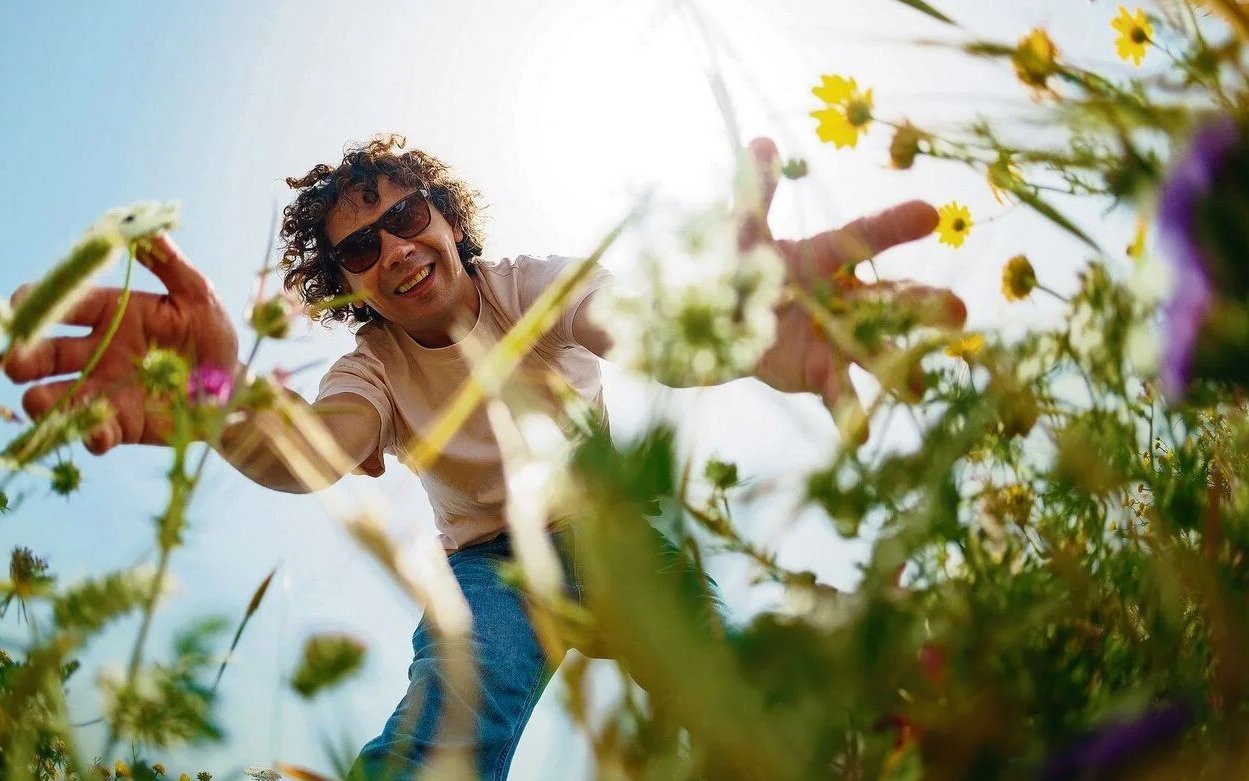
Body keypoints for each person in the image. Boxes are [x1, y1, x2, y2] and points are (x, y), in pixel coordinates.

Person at [3, 135, 965, 779]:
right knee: (452, 720)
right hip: (492, 568)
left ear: (447, 219)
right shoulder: (370, 367)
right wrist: (211, 398)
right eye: (360, 249)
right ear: (350, 289)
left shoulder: (529, 287)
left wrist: (740, 328)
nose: (394, 249)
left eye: (405, 217)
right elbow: (316, 450)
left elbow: (638, 324)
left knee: (721, 683)